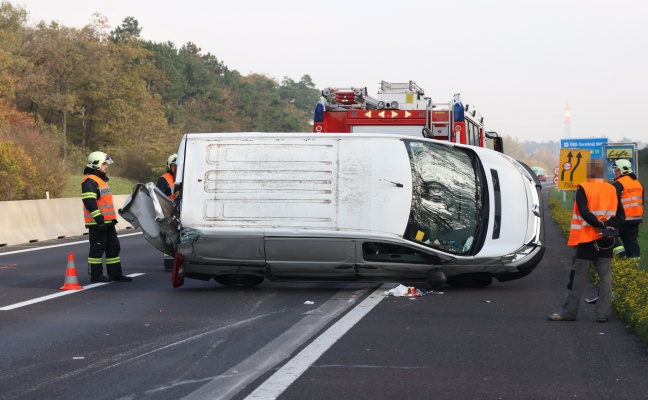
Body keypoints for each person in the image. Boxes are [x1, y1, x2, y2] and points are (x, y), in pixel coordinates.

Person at [548, 159, 624, 323]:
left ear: (589, 172)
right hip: (607, 239)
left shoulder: (583, 187)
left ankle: (569, 313)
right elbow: (621, 215)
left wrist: (599, 225)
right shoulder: (612, 188)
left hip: (587, 239)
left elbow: (584, 212)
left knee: (578, 277)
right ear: (602, 173)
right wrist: (608, 227)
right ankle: (602, 314)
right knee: (605, 278)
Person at [82, 151, 132, 283]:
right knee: (97, 249)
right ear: (97, 165)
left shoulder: (101, 180)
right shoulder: (89, 181)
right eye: (104, 164)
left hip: (108, 222)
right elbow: (89, 202)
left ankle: (115, 274)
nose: (106, 166)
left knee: (113, 247)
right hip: (97, 222)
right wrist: (98, 218)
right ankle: (96, 275)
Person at [610, 159, 644, 261]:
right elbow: (642, 201)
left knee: (609, 237)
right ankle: (635, 265)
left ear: (623, 170)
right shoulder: (638, 183)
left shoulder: (618, 184)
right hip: (636, 219)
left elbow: (612, 203)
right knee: (631, 241)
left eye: (616, 170)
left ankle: (622, 257)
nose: (615, 172)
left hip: (622, 219)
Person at [156, 154, 177, 271]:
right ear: (169, 166)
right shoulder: (163, 179)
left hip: (181, 213)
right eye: (174, 166)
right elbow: (159, 198)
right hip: (168, 214)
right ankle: (169, 265)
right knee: (169, 239)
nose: (176, 168)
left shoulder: (184, 177)